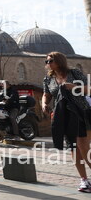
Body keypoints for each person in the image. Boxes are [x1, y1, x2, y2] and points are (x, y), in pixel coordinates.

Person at [42, 51, 91, 193]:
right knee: (74, 149)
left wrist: (72, 87)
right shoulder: (48, 79)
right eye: (46, 61)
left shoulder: (74, 73)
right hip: (64, 117)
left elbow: (88, 90)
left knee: (84, 147)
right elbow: (46, 94)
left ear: (59, 61)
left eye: (50, 61)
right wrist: (44, 103)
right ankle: (84, 180)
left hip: (81, 113)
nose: (48, 64)